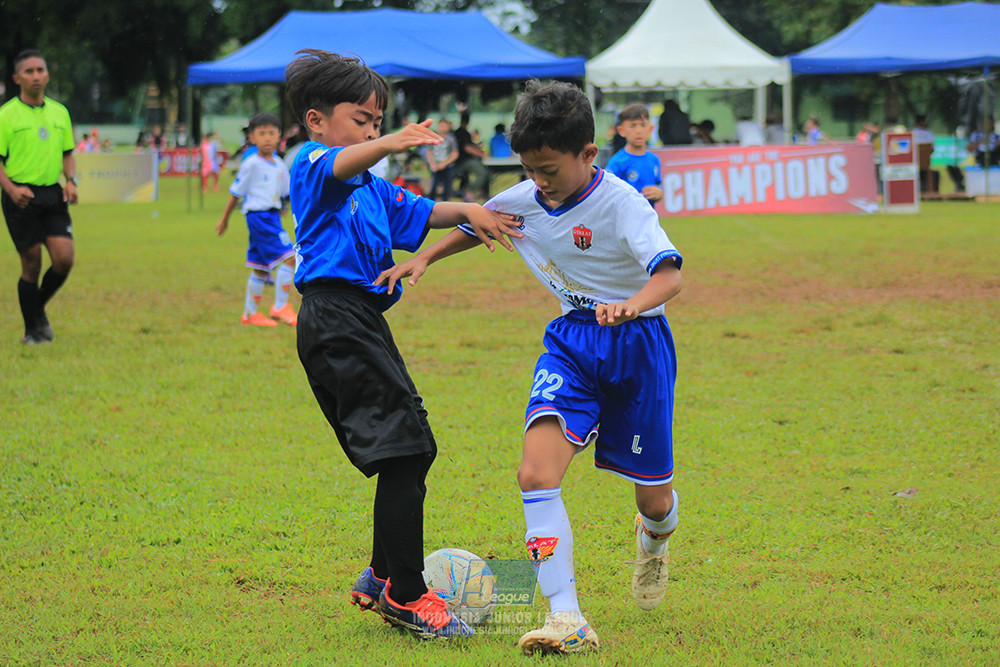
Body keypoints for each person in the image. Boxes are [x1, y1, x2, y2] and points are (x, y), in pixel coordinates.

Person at [375, 80, 684, 655]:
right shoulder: (524, 196)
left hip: (639, 344)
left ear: (588, 154)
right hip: (571, 343)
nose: (538, 181)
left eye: (548, 169)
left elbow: (669, 275)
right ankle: (567, 618)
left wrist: (632, 304)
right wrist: (422, 258)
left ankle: (654, 541)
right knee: (536, 474)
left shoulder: (623, 203)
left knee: (654, 501)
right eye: (529, 169)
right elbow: (479, 224)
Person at [283, 49, 522, 640]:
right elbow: (340, 165)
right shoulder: (312, 165)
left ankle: (381, 575)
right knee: (404, 451)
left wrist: (470, 209)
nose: (374, 129)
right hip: (334, 319)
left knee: (413, 446)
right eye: (362, 119)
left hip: (362, 319)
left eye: (377, 120)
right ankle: (408, 596)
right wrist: (387, 145)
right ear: (317, 120)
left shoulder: (372, 187)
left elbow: (424, 211)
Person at [0, 49, 78, 345]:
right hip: (20, 196)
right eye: (29, 71)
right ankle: (32, 330)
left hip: (52, 194)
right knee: (31, 264)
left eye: (40, 70)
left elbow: (68, 153)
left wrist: (70, 181)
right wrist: (11, 189)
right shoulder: (6, 115)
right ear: (17, 77)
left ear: (47, 74)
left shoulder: (60, 112)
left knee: (64, 259)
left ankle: (37, 309)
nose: (36, 76)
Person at [215, 112, 297, 328]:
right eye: (262, 134)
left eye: (272, 133)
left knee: (260, 267)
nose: (268, 138)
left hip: (271, 216)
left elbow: (286, 193)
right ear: (251, 137)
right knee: (290, 258)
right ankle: (280, 307)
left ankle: (250, 314)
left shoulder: (279, 164)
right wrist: (224, 219)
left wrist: (283, 208)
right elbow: (235, 193)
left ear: (280, 135)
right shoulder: (251, 163)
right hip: (259, 217)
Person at [604, 103, 662, 207]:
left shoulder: (654, 160)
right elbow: (607, 193)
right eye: (632, 126)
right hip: (625, 220)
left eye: (643, 125)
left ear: (650, 129)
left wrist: (659, 193)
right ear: (622, 131)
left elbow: (658, 184)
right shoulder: (618, 162)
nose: (638, 131)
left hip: (649, 220)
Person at [453, 111, 489, 202]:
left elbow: (471, 146)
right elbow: (468, 148)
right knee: (482, 172)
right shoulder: (463, 133)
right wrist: (482, 154)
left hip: (461, 161)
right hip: (463, 161)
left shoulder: (458, 132)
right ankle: (469, 191)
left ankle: (480, 192)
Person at [425, 117, 459, 200]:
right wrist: (432, 164)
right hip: (435, 166)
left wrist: (444, 164)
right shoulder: (433, 137)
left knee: (447, 187)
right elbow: (429, 152)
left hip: (447, 166)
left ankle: (445, 204)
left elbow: (455, 153)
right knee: (433, 186)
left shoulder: (451, 139)